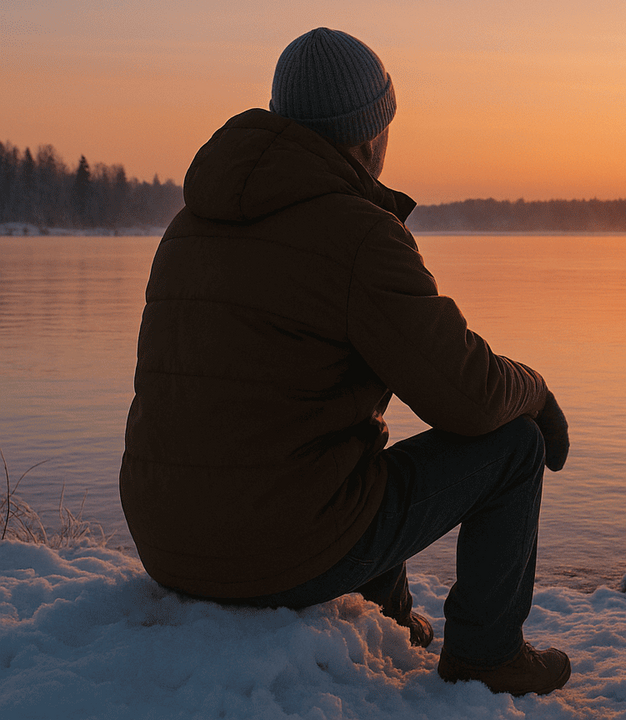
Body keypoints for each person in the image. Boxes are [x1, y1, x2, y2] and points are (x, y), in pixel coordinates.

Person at [119, 27, 571, 697]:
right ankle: (489, 655)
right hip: (272, 553)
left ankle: (387, 617)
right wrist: (534, 390)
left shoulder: (188, 226)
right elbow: (467, 396)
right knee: (514, 445)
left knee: (338, 439)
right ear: (369, 135)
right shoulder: (358, 234)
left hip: (167, 543)